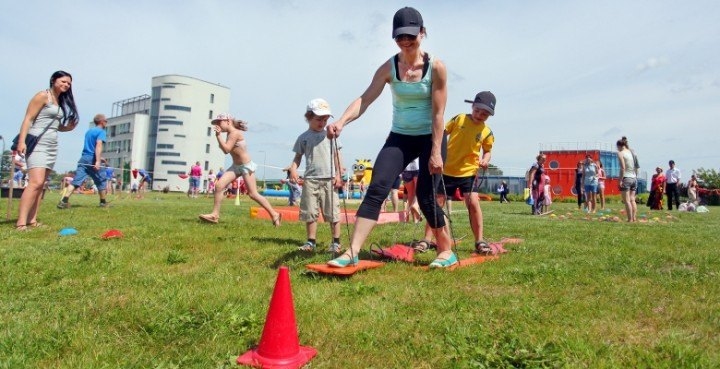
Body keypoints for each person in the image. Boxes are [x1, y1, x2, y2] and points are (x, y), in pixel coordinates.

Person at [325, 6, 455, 268]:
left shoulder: (436, 68)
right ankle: (352, 251)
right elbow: (365, 99)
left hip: (432, 136)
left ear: (422, 32)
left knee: (426, 195)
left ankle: (445, 249)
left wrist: (435, 152)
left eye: (411, 36)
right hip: (400, 136)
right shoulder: (389, 67)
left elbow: (439, 114)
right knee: (377, 187)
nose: (405, 42)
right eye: (400, 37)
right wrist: (341, 121)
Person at [417, 91, 496, 254]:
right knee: (436, 204)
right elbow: (441, 132)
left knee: (473, 202)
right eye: (478, 111)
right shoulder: (459, 119)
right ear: (472, 106)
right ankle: (427, 239)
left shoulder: (487, 132)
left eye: (485, 114)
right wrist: (434, 151)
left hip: (468, 172)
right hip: (446, 169)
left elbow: (487, 151)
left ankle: (479, 240)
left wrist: (485, 160)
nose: (480, 115)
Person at [15, 71, 79, 230]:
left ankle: (32, 220)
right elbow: (28, 119)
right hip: (38, 143)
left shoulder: (59, 100)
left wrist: (67, 128)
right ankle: (21, 223)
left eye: (69, 83)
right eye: (63, 81)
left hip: (51, 145)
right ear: (53, 80)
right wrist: (22, 141)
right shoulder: (42, 96)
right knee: (35, 183)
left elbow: (54, 126)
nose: (66, 85)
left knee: (41, 184)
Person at [199, 113, 281, 225]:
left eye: (219, 122)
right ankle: (215, 215)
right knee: (219, 186)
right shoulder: (229, 134)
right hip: (236, 166)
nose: (218, 125)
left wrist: (218, 136)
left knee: (253, 194)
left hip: (246, 166)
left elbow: (226, 149)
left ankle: (274, 214)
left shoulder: (234, 133)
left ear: (228, 121)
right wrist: (219, 137)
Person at [288, 98, 344, 253]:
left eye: (325, 119)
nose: (322, 123)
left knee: (332, 212)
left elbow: (337, 156)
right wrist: (293, 169)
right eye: (318, 119)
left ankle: (336, 242)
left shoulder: (330, 135)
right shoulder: (303, 137)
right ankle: (311, 241)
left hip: (329, 179)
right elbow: (297, 157)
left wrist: (339, 174)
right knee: (310, 212)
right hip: (311, 180)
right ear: (308, 117)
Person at [58, 114, 110, 208]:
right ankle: (103, 202)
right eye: (106, 120)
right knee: (101, 180)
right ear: (101, 121)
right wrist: (98, 161)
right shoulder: (101, 131)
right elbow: (98, 145)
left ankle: (64, 201)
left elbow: (90, 147)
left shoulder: (89, 131)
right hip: (92, 159)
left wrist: (99, 158)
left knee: (76, 181)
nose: (107, 122)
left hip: (84, 158)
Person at [617, 136, 639, 222]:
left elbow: (622, 168)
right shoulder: (631, 152)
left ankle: (630, 219)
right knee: (632, 199)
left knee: (626, 200)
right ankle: (634, 217)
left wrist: (620, 180)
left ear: (619, 146)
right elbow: (636, 166)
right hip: (634, 178)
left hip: (626, 177)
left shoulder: (620, 153)